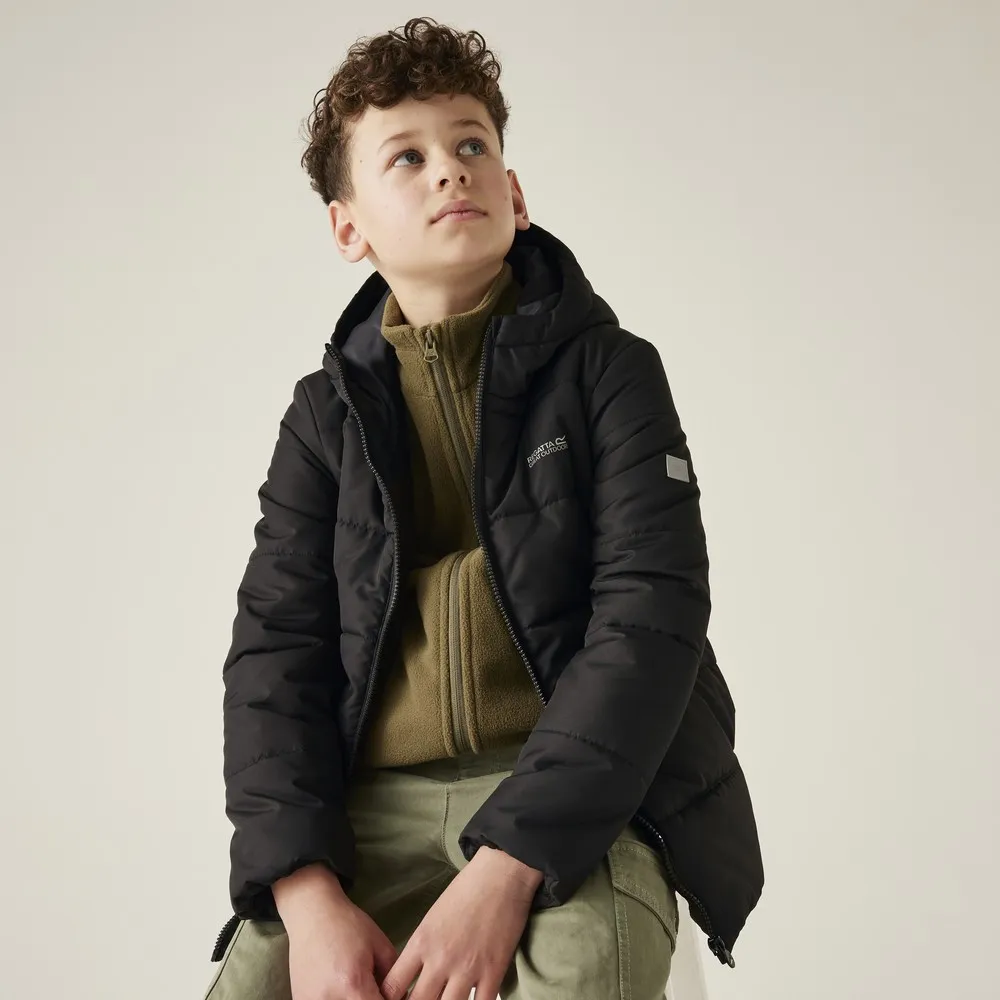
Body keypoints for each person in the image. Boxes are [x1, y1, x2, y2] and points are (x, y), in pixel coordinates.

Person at [202, 16, 763, 1000]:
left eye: (471, 145)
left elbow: (650, 619)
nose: (450, 171)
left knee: (583, 973)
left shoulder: (612, 374)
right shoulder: (321, 419)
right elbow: (274, 655)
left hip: (584, 795)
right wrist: (304, 890)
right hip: (372, 805)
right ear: (348, 228)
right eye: (406, 157)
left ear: (515, 192)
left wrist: (507, 868)